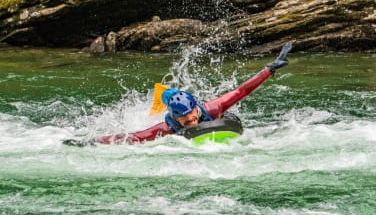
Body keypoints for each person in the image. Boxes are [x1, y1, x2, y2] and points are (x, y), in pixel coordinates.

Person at [95, 41, 292, 144]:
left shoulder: (212, 109)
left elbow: (241, 90)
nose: (190, 120)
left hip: (200, 105)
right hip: (168, 105)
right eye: (183, 118)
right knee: (161, 102)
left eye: (191, 113)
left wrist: (270, 69)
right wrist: (94, 142)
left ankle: (169, 93)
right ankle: (163, 95)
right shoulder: (165, 128)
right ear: (174, 116)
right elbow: (135, 137)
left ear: (196, 108)